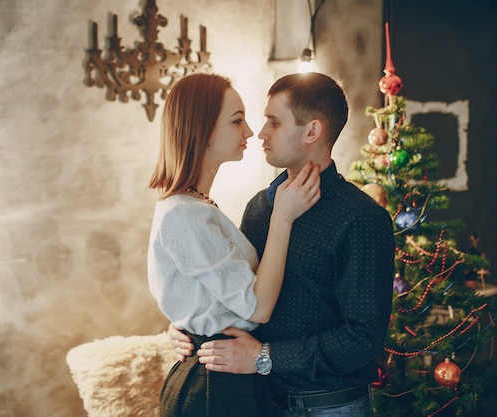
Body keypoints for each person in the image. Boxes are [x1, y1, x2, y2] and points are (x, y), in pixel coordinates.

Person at [169, 72, 395, 417]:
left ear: (312, 131)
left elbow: (363, 339)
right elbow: (239, 295)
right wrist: (188, 327)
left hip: (328, 408)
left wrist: (265, 358)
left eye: (274, 122)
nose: (260, 133)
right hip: (258, 402)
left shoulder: (362, 219)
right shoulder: (259, 208)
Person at [147, 72, 321, 417]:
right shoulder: (185, 215)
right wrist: (282, 219)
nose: (250, 132)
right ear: (203, 129)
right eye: (237, 120)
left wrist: (188, 323)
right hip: (216, 387)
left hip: (227, 373)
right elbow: (257, 307)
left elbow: (204, 292)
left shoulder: (199, 208)